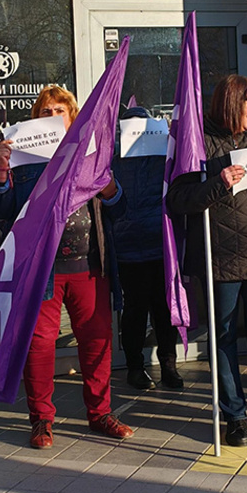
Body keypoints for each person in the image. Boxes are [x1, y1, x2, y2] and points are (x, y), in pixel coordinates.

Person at [0, 85, 133, 449]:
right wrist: (2, 174)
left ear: (72, 117)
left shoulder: (92, 154)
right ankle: (41, 420)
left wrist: (109, 186)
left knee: (97, 340)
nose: (52, 116)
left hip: (90, 264)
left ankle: (100, 413)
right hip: (42, 270)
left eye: (59, 111)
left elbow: (119, 209)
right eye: (45, 111)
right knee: (38, 345)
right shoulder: (21, 157)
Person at [166, 75, 247, 447]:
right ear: (231, 103)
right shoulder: (199, 144)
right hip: (220, 258)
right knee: (223, 338)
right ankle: (235, 417)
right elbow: (177, 200)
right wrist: (217, 182)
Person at [105, 106, 183, 391]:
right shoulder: (112, 158)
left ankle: (168, 365)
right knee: (136, 310)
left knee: (163, 309)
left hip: (160, 244)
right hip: (127, 247)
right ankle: (136, 367)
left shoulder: (165, 154)